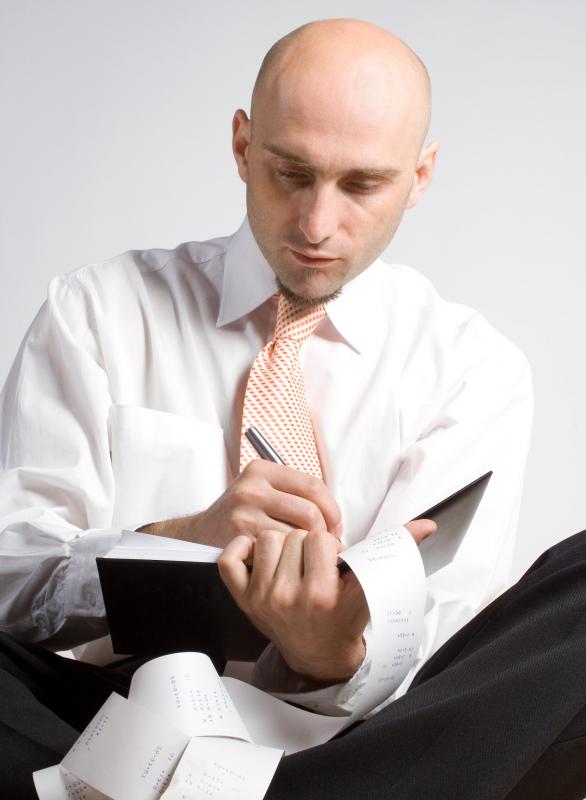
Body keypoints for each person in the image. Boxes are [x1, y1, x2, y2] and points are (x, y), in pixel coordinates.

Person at [0, 18, 584, 800]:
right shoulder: (97, 311)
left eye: (362, 185)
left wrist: (338, 654)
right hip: (106, 724)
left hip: (370, 742)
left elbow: (453, 646)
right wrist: (169, 545)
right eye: (290, 172)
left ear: (421, 175)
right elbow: (9, 582)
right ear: (243, 146)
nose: (316, 225)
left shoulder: (472, 367)